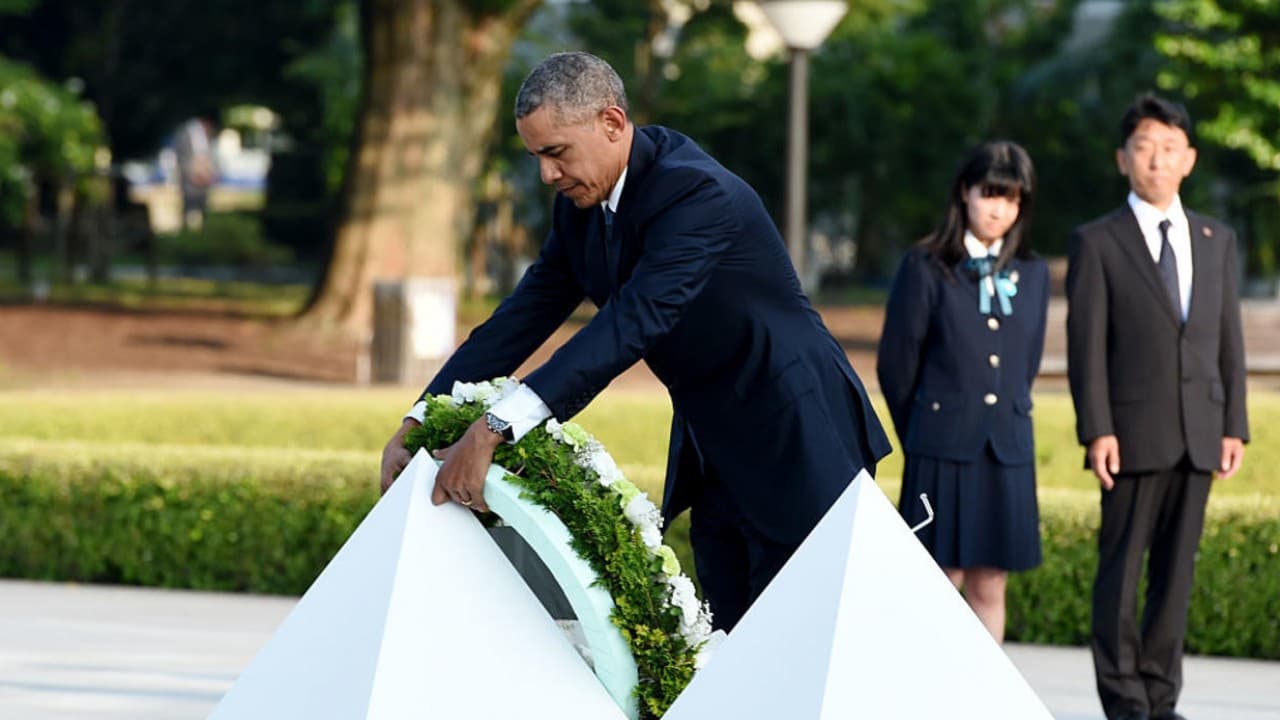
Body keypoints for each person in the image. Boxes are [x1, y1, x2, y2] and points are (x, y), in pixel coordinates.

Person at [379, 51, 891, 632]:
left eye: (556, 153)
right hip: (713, 444)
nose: (547, 174)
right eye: (536, 157)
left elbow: (631, 322)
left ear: (612, 123)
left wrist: (497, 426)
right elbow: (518, 319)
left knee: (804, 637)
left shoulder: (697, 194)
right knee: (729, 636)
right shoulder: (580, 207)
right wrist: (422, 416)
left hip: (799, 431)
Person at [1067, 93, 1248, 720]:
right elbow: (1086, 346)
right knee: (1120, 573)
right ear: (1123, 159)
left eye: (1170, 148)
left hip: (1202, 432)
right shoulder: (1098, 242)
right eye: (1144, 148)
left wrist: (1235, 426)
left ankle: (1161, 697)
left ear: (1189, 159)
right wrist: (1098, 429)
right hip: (1131, 434)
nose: (1156, 160)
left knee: (1175, 577)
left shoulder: (1216, 239)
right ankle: (1123, 700)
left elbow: (1228, 338)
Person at [877, 141, 1047, 643]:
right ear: (965, 193)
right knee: (937, 580)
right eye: (989, 194)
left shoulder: (1033, 274)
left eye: (1012, 199)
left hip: (1007, 450)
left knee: (991, 583)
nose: (999, 208)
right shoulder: (927, 265)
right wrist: (926, 430)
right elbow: (896, 365)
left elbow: (1028, 361)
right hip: (940, 448)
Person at [173, 115, 218, 231]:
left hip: (201, 174)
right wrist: (192, 172)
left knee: (201, 201)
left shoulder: (203, 135)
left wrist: (207, 172)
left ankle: (200, 227)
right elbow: (183, 157)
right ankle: (187, 227)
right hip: (190, 175)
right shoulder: (186, 132)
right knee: (188, 201)